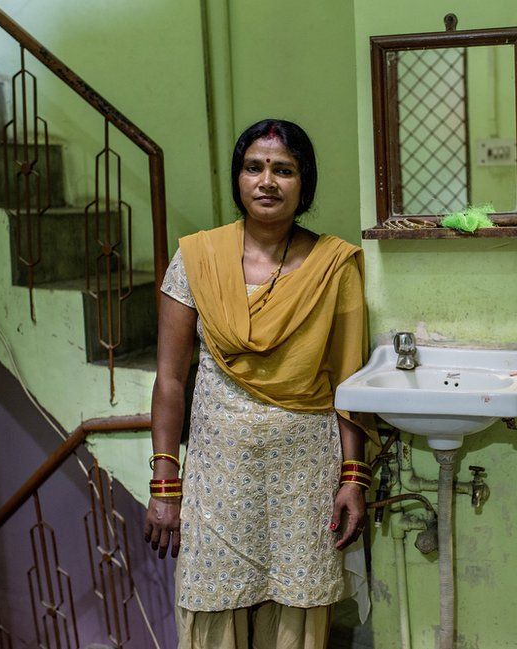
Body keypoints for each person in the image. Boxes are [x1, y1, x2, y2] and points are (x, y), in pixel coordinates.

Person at [144, 118, 378, 648]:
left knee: (297, 617)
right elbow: (170, 381)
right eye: (254, 167)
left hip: (304, 477)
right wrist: (165, 483)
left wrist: (353, 478)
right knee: (211, 606)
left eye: (284, 170)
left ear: (305, 183)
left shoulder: (333, 265)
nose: (267, 181)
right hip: (218, 477)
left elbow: (348, 383)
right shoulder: (197, 259)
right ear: (239, 178)